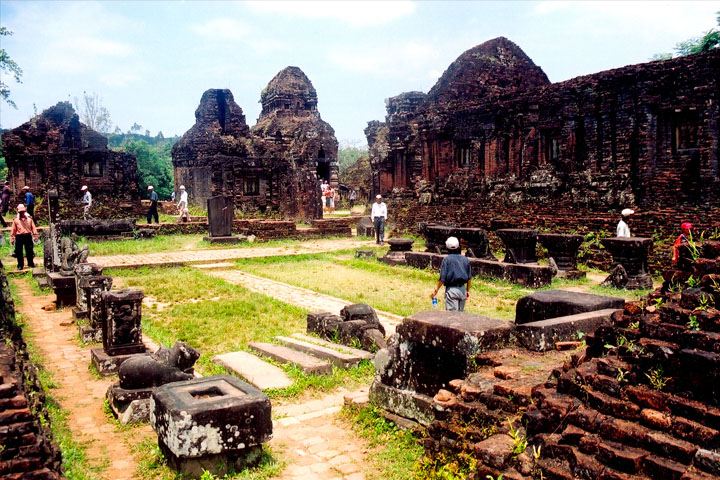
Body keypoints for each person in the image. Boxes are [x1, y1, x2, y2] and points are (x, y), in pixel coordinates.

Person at [431, 237, 472, 311]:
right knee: (460, 315)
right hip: (462, 290)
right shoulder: (465, 259)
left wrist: (436, 290)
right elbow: (469, 278)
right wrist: (467, 290)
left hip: (452, 290)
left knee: (452, 317)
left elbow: (442, 278)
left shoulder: (447, 260)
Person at [10, 204, 39, 270]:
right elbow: (13, 229)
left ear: (25, 211)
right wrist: (12, 238)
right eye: (20, 212)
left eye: (22, 211)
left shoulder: (29, 219)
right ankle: (20, 265)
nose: (21, 213)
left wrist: (35, 235)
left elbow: (33, 228)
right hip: (19, 236)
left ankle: (30, 263)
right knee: (19, 251)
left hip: (27, 235)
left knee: (29, 250)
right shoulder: (16, 220)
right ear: (18, 212)